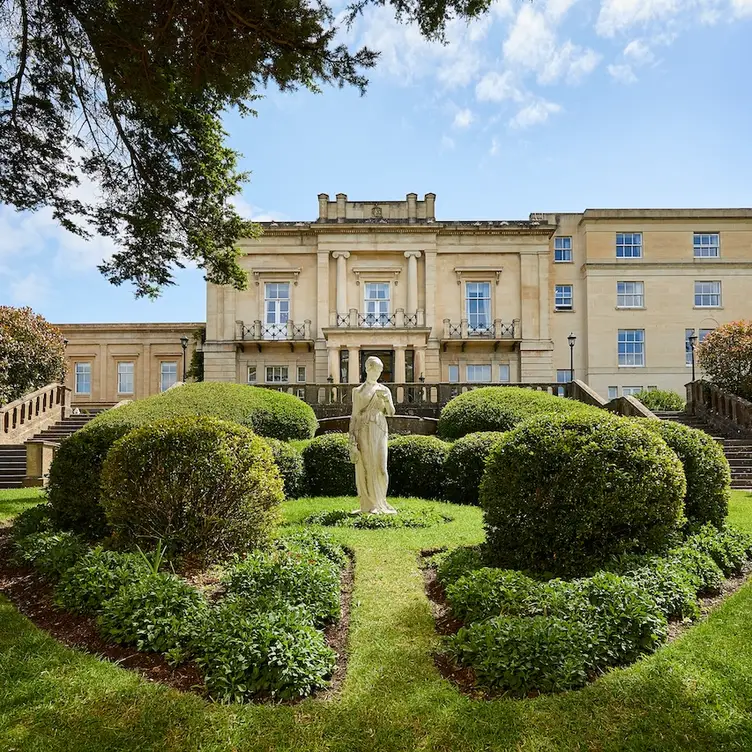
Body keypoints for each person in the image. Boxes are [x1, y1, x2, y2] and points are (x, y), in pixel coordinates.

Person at [348, 356, 397, 514]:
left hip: (380, 429)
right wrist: (352, 441)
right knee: (367, 467)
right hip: (363, 430)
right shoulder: (358, 391)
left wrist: (387, 401)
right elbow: (354, 416)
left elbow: (391, 413)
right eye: (375, 370)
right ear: (368, 368)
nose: (378, 373)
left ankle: (381, 501)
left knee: (382, 467)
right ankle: (369, 505)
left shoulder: (384, 390)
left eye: (380, 371)